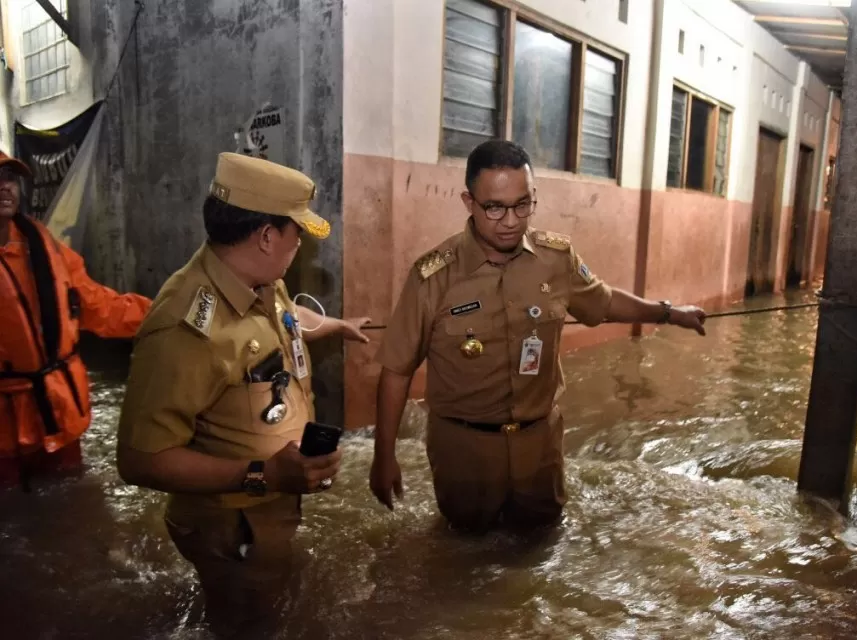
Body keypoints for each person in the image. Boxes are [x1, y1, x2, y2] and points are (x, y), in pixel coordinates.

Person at [369, 140, 707, 532]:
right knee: (464, 555)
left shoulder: (555, 259)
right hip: (464, 453)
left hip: (539, 447)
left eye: (523, 204)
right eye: (495, 207)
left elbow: (606, 302)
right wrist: (384, 455)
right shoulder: (433, 277)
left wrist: (668, 313)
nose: (511, 220)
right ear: (469, 202)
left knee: (540, 550)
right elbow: (395, 370)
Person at [116, 152, 370, 636]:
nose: (299, 245)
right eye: (297, 233)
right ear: (267, 235)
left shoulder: (257, 278)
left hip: (267, 512)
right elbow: (139, 460)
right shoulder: (185, 329)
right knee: (247, 624)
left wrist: (332, 325)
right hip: (232, 527)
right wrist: (264, 473)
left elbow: (281, 320)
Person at [0, 151, 151, 490]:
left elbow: (99, 306)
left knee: (73, 503)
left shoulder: (44, 247)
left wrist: (165, 313)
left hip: (56, 413)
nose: (4, 188)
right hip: (4, 429)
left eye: (9, 178)